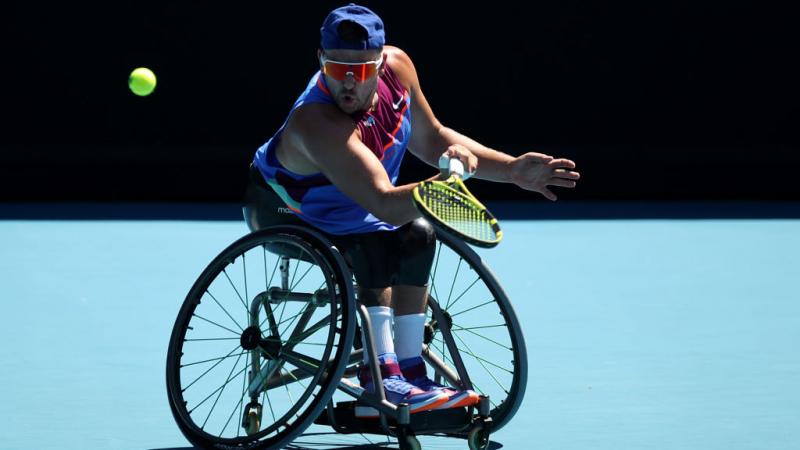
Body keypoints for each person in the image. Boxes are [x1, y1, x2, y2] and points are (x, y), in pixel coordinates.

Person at [244, 3, 580, 418]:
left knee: (419, 234)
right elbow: (384, 202)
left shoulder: (399, 70)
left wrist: (511, 170)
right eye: (337, 68)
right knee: (372, 244)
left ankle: (410, 370)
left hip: (357, 204)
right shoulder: (317, 122)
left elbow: (433, 137)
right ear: (320, 61)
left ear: (382, 62)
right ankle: (378, 377)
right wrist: (443, 183)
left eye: (363, 70)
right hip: (284, 209)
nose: (349, 83)